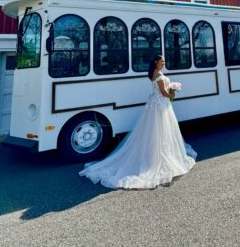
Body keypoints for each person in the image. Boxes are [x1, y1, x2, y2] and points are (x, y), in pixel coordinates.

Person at [79, 55, 197, 189]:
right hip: (160, 105)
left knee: (155, 131)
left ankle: (156, 154)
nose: (164, 63)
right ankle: (158, 158)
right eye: (162, 61)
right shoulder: (158, 74)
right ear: (156, 62)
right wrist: (173, 93)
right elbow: (164, 92)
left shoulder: (154, 73)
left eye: (164, 61)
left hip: (156, 104)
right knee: (161, 130)